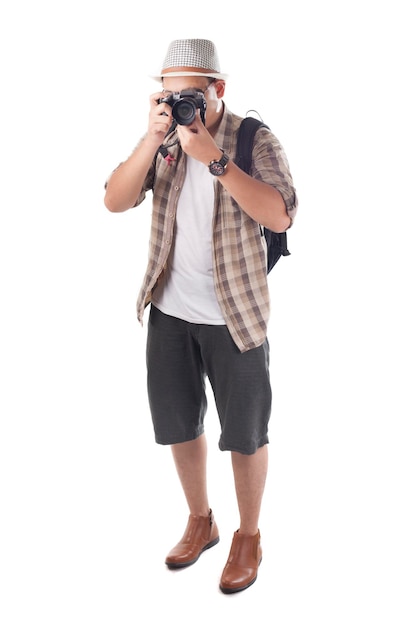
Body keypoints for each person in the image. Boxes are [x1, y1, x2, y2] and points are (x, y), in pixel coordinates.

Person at [104, 39, 297, 593]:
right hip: (169, 310)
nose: (180, 104)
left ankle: (248, 537)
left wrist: (213, 158)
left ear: (219, 89)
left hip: (236, 315)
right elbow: (115, 200)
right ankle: (200, 520)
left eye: (190, 94)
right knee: (178, 425)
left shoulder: (252, 139)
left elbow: (280, 213)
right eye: (169, 95)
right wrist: (151, 136)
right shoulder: (162, 140)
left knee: (245, 435)